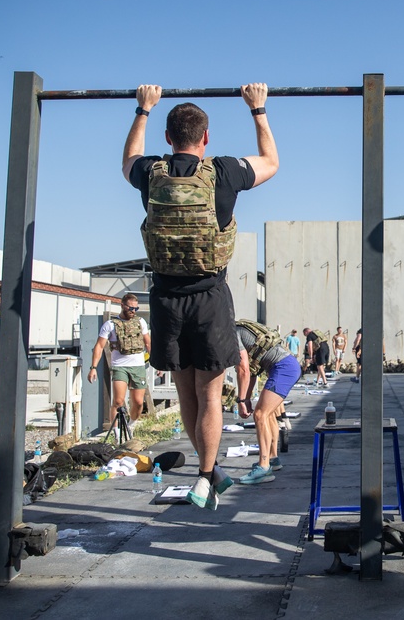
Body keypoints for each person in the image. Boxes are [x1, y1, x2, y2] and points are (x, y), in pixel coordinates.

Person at [122, 82, 279, 509]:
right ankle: (208, 475)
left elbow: (128, 161)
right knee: (210, 395)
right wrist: (258, 110)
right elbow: (271, 162)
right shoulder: (224, 171)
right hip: (209, 295)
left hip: (165, 297)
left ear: (169, 139)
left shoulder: (153, 173)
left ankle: (209, 471)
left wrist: (143, 110)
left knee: (187, 394)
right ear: (205, 138)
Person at [233, 320, 301, 487]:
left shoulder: (231, 334)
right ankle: (272, 458)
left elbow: (243, 370)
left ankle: (264, 468)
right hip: (285, 366)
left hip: (283, 368)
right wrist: (246, 399)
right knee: (266, 413)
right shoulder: (240, 330)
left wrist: (242, 400)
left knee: (260, 415)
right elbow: (253, 372)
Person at [87, 294, 151, 433]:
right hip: (120, 366)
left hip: (138, 366)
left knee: (139, 402)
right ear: (122, 305)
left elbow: (148, 343)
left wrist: (157, 363)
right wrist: (93, 368)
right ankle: (116, 432)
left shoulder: (141, 322)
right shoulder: (110, 325)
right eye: (130, 307)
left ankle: (131, 425)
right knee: (118, 401)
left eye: (136, 308)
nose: (133, 311)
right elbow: (99, 346)